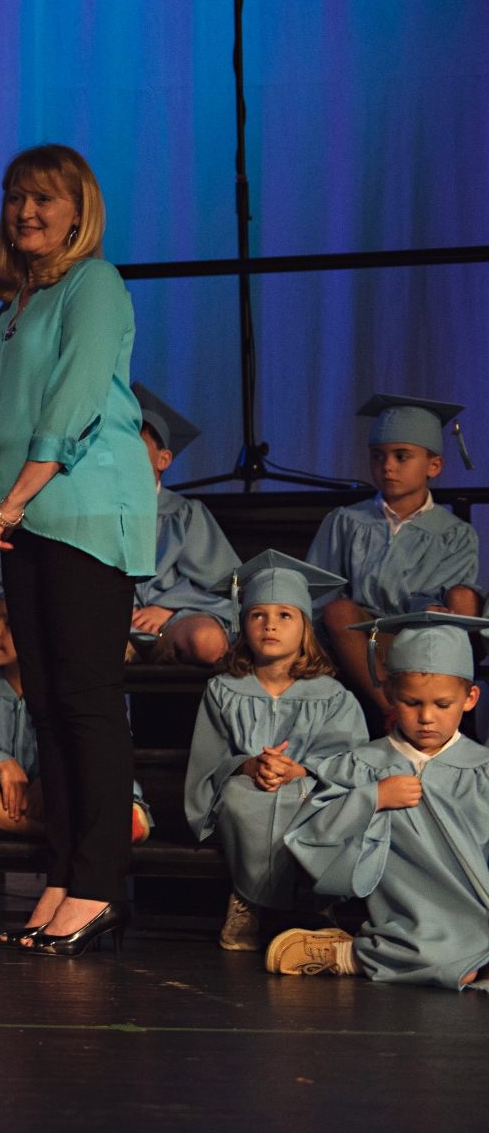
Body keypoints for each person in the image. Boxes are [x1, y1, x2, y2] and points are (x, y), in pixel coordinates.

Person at [0, 143, 157, 958]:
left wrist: (13, 497)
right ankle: (65, 872)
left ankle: (101, 883)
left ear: (79, 211)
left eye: (43, 198)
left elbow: (75, 401)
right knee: (45, 703)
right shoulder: (17, 304)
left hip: (81, 512)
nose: (26, 211)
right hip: (22, 517)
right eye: (16, 197)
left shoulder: (94, 284)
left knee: (85, 699)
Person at [270, 613, 489, 990]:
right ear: (388, 695)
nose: (426, 717)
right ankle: (350, 956)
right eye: (411, 702)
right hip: (409, 914)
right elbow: (310, 834)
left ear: (469, 699)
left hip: (479, 907)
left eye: (442, 704)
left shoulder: (482, 769)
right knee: (449, 963)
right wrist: (372, 798)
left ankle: (363, 955)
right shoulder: (363, 765)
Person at [182, 552, 362, 952]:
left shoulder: (332, 695)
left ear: (306, 627)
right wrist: (247, 765)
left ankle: (316, 903)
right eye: (257, 615)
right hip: (247, 786)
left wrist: (301, 770)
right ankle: (247, 901)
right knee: (239, 797)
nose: (270, 625)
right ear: (242, 623)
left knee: (316, 800)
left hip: (309, 784)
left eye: (285, 615)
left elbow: (350, 761)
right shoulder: (223, 690)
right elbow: (207, 763)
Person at [0, 594, 154, 851]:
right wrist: (0, 762)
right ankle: (62, 833)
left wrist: (55, 775)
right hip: (1, 793)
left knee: (107, 793)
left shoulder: (73, 690)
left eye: (9, 624)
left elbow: (98, 749)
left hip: (59, 791)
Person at [308, 394, 482, 729]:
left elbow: (447, 598)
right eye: (378, 456)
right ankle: (391, 710)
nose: (387, 466)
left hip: (425, 633)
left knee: (463, 598)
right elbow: (320, 587)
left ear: (434, 466)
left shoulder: (454, 533)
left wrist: (430, 611)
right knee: (337, 610)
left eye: (401, 456)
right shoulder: (346, 521)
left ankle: (447, 707)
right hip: (363, 638)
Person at [127, 383, 238, 665]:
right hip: (114, 617)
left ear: (163, 459)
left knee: (207, 640)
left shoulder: (184, 513)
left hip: (178, 615)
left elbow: (222, 581)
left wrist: (166, 607)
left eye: (134, 447)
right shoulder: (96, 512)